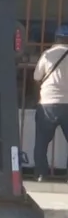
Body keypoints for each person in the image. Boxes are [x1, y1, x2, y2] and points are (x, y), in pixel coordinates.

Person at [34, 28, 68, 181]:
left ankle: (41, 174)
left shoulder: (47, 54)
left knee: (41, 142)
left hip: (47, 103)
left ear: (56, 38)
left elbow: (37, 77)